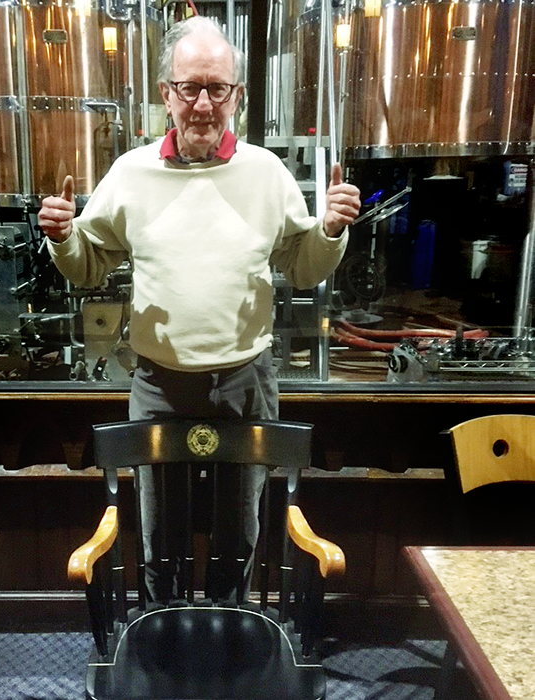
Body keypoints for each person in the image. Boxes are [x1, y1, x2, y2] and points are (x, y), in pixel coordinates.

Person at [39, 16, 361, 603]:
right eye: (190, 87)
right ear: (167, 94)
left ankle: (234, 626)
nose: (204, 104)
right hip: (160, 383)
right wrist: (64, 237)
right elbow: (88, 266)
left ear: (237, 96)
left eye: (218, 88)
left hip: (246, 380)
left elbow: (304, 265)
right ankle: (163, 626)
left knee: (242, 525)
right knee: (160, 530)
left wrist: (331, 229)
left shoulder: (266, 172)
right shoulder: (131, 173)